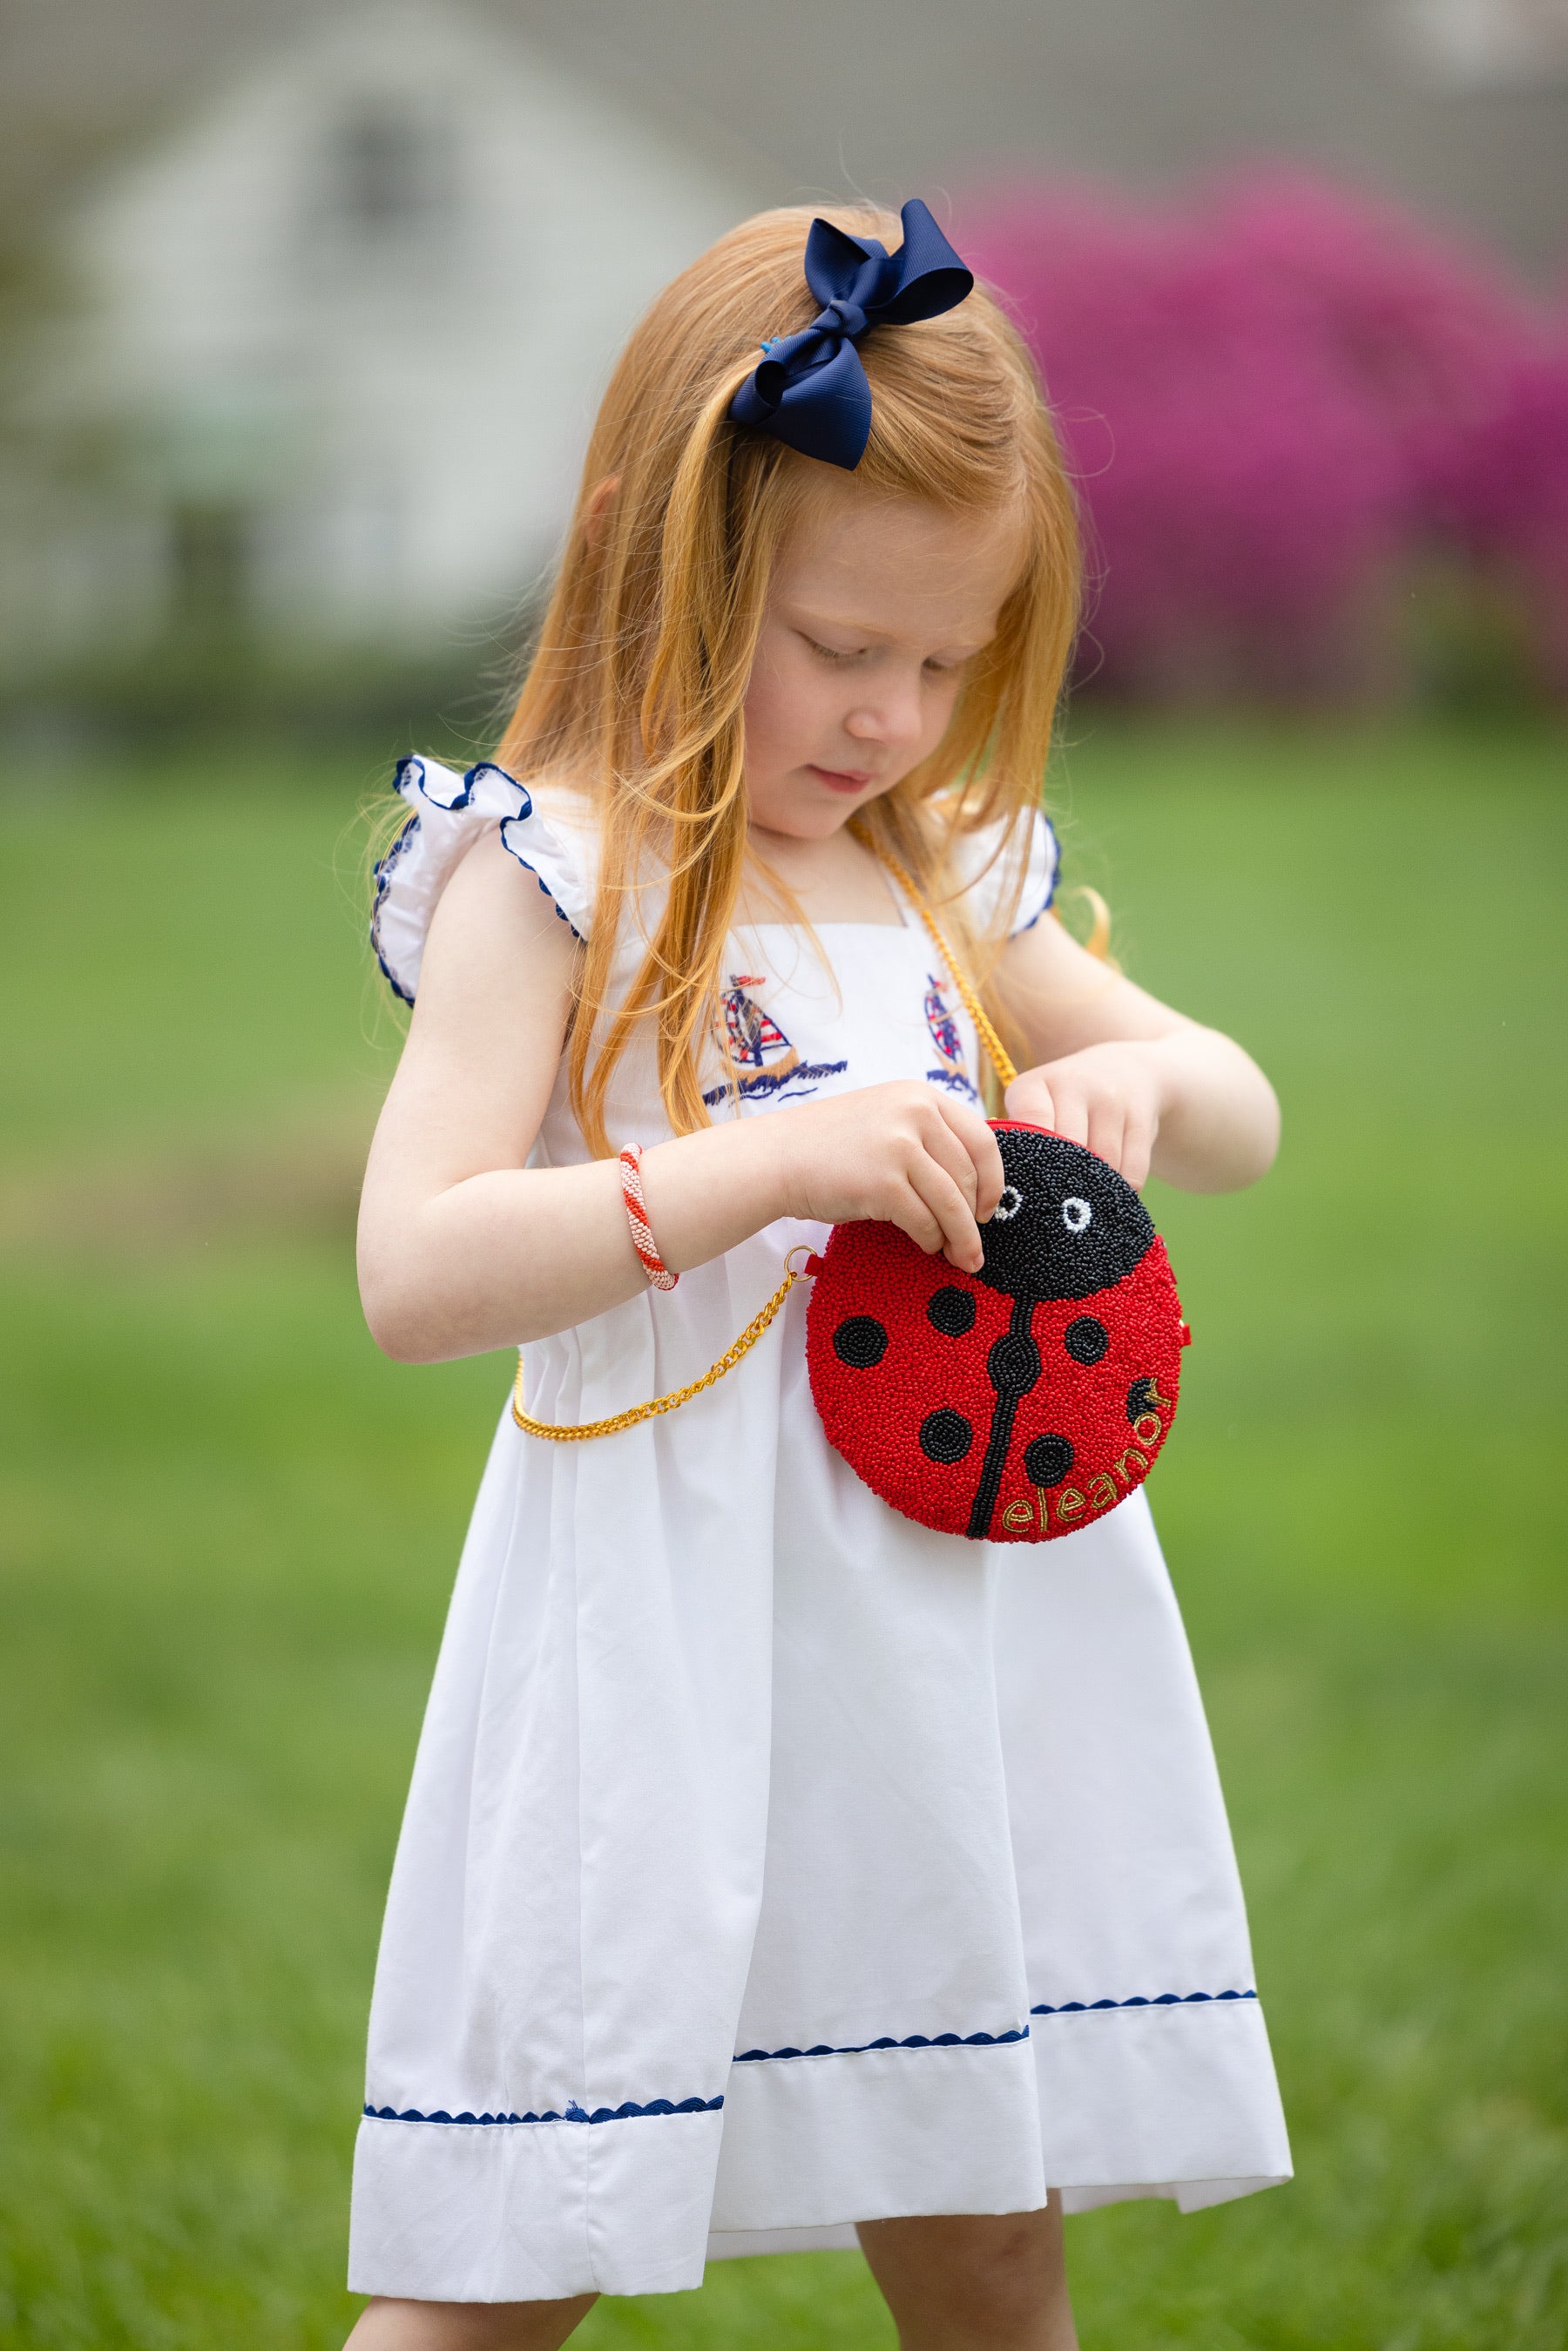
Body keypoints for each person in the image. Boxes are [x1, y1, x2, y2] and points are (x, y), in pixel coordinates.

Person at [346, 200, 1291, 2351]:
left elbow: (1239, 1107)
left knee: (990, 2227)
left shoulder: (940, 869)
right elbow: (414, 1268)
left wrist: (1128, 1091)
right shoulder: (562, 873)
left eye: (950, 662)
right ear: (657, 561)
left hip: (955, 1650)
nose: (895, 716)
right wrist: (760, 1166)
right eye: (845, 647)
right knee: (520, 2249)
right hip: (668, 1657)